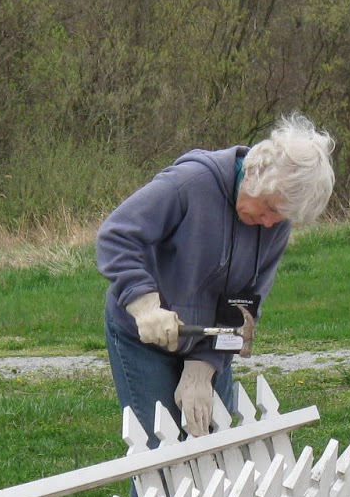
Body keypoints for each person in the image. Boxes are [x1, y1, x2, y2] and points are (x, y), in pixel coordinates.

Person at [97, 112, 335, 441]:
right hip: (145, 338)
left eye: (280, 217)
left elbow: (246, 304)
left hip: (208, 339)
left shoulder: (275, 225)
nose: (269, 224)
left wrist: (203, 366)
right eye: (267, 208)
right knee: (160, 455)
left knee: (213, 445)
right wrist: (145, 306)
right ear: (254, 174)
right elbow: (117, 234)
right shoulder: (190, 184)